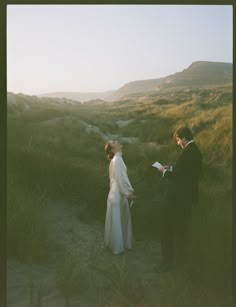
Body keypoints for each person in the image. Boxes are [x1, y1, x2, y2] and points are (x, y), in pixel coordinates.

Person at [157, 126, 202, 272]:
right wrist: (172, 167)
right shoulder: (195, 151)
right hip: (187, 198)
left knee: (166, 228)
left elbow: (179, 178)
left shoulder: (187, 153)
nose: (177, 143)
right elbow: (186, 173)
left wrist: (164, 172)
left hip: (177, 198)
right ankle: (182, 263)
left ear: (183, 137)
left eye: (177, 140)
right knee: (182, 231)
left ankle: (166, 263)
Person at [104, 140, 135, 255]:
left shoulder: (116, 159)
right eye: (114, 142)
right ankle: (118, 247)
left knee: (118, 219)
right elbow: (120, 180)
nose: (116, 141)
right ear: (113, 149)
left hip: (114, 193)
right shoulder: (117, 160)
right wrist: (128, 193)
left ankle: (117, 245)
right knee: (119, 220)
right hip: (118, 194)